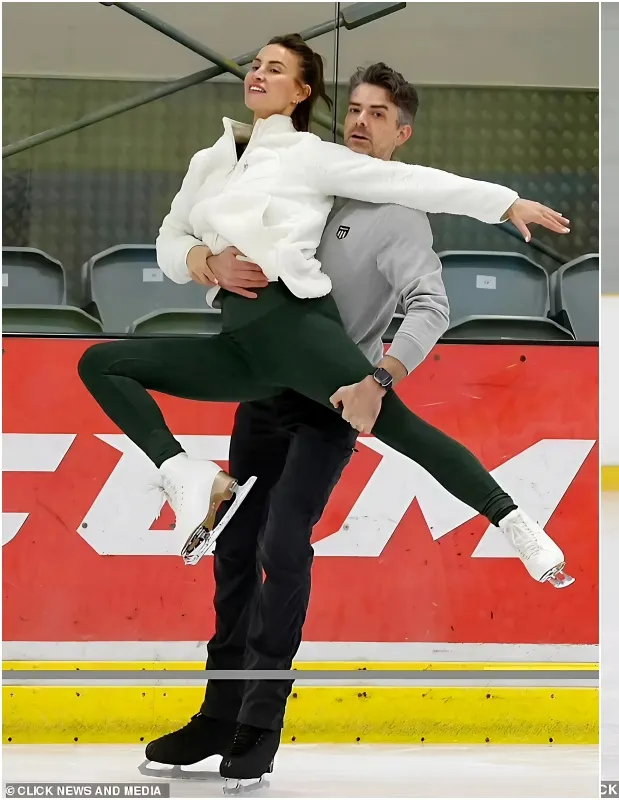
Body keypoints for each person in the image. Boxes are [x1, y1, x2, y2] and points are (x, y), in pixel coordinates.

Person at [75, 35, 573, 590]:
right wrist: (202, 259)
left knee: (400, 429)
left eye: (276, 70)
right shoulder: (210, 161)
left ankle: (516, 522)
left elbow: (409, 182)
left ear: (300, 92)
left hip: (291, 325)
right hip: (242, 344)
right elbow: (170, 239)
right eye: (256, 66)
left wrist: (503, 202)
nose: (258, 75)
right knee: (101, 364)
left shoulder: (310, 155)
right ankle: (188, 475)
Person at [135, 62, 487, 790]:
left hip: (328, 405)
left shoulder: (400, 217)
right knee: (233, 548)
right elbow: (215, 241)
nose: (360, 122)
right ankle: (216, 714)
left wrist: (380, 379)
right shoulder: (306, 180)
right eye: (354, 109)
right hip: (263, 391)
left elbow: (431, 307)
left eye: (378, 114)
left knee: (281, 544)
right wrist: (208, 261)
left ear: (403, 133)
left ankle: (260, 723)